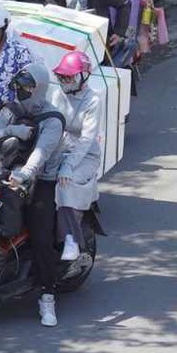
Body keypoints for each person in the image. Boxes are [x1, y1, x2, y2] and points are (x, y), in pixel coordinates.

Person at [0, 62, 68, 327]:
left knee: (42, 237)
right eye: (16, 87)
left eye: (25, 88)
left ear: (39, 89)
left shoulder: (52, 119)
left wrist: (26, 173)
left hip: (41, 180)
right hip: (5, 174)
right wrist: (12, 130)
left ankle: (47, 295)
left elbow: (41, 154)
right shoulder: (10, 110)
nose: (19, 92)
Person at [51, 51, 102, 265]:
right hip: (58, 150)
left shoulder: (93, 101)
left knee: (64, 185)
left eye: (69, 77)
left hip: (84, 156)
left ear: (82, 76)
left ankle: (70, 239)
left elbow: (86, 140)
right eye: (61, 76)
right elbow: (51, 126)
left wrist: (68, 167)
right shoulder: (57, 95)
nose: (64, 81)